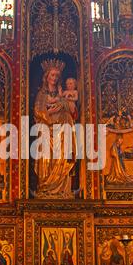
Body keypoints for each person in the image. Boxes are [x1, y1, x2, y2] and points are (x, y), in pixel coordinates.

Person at [33, 63, 77, 198]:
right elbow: (37, 111)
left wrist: (62, 104)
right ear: (46, 77)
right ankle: (45, 187)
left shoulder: (62, 93)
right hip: (46, 130)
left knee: (62, 158)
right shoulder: (41, 93)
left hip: (62, 130)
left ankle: (63, 190)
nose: (55, 77)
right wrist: (48, 112)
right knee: (46, 158)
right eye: (52, 75)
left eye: (57, 75)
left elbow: (72, 110)